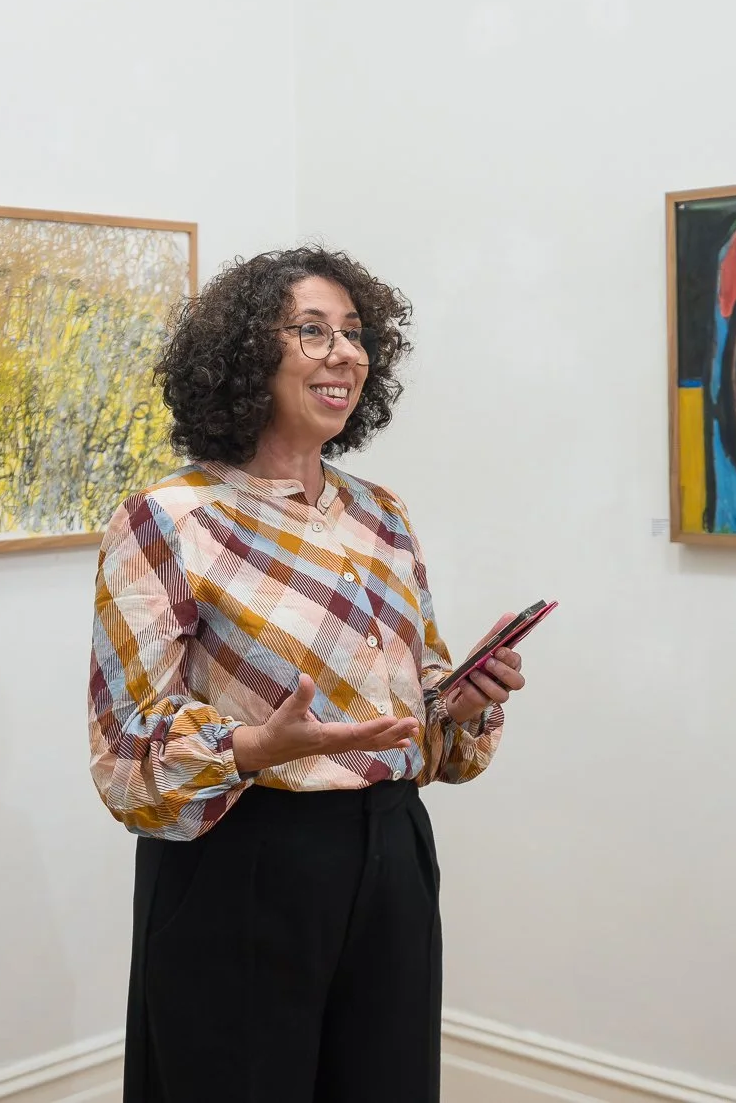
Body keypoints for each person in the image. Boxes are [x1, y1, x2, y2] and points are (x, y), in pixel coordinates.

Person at [87, 246, 528, 1102]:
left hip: (392, 852)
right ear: (248, 355)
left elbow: (420, 709)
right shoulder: (167, 519)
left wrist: (458, 702)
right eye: (313, 331)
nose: (345, 354)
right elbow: (122, 756)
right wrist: (255, 746)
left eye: (356, 334)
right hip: (245, 862)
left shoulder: (380, 513)